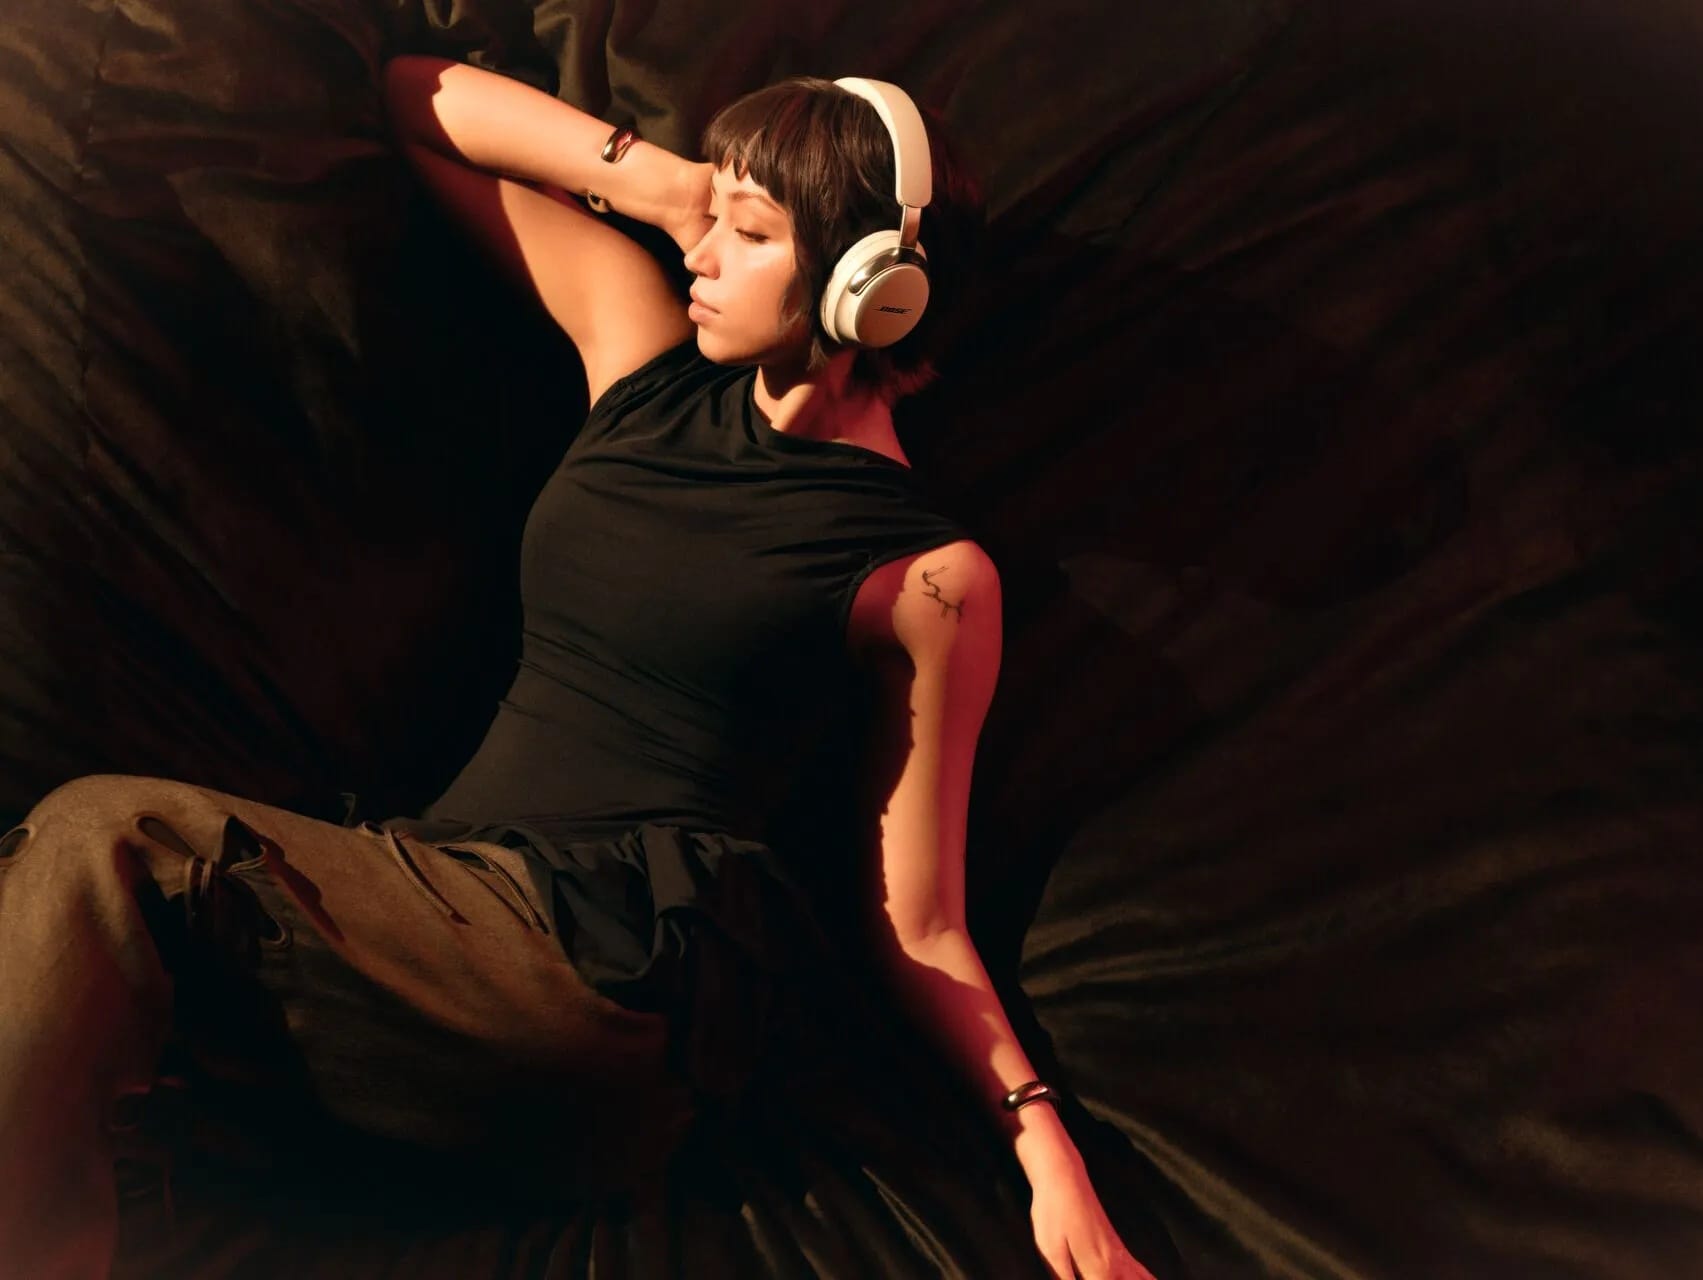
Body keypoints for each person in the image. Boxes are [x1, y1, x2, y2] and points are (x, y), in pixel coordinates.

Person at [0, 55, 1155, 1280]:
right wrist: (668, 186)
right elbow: (416, 101)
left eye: (751, 230)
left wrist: (1045, 1148)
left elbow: (918, 918)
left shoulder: (928, 576)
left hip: (597, 980)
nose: (705, 253)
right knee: (88, 1003)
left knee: (100, 840)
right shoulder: (643, 356)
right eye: (715, 220)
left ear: (873, 289)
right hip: (435, 926)